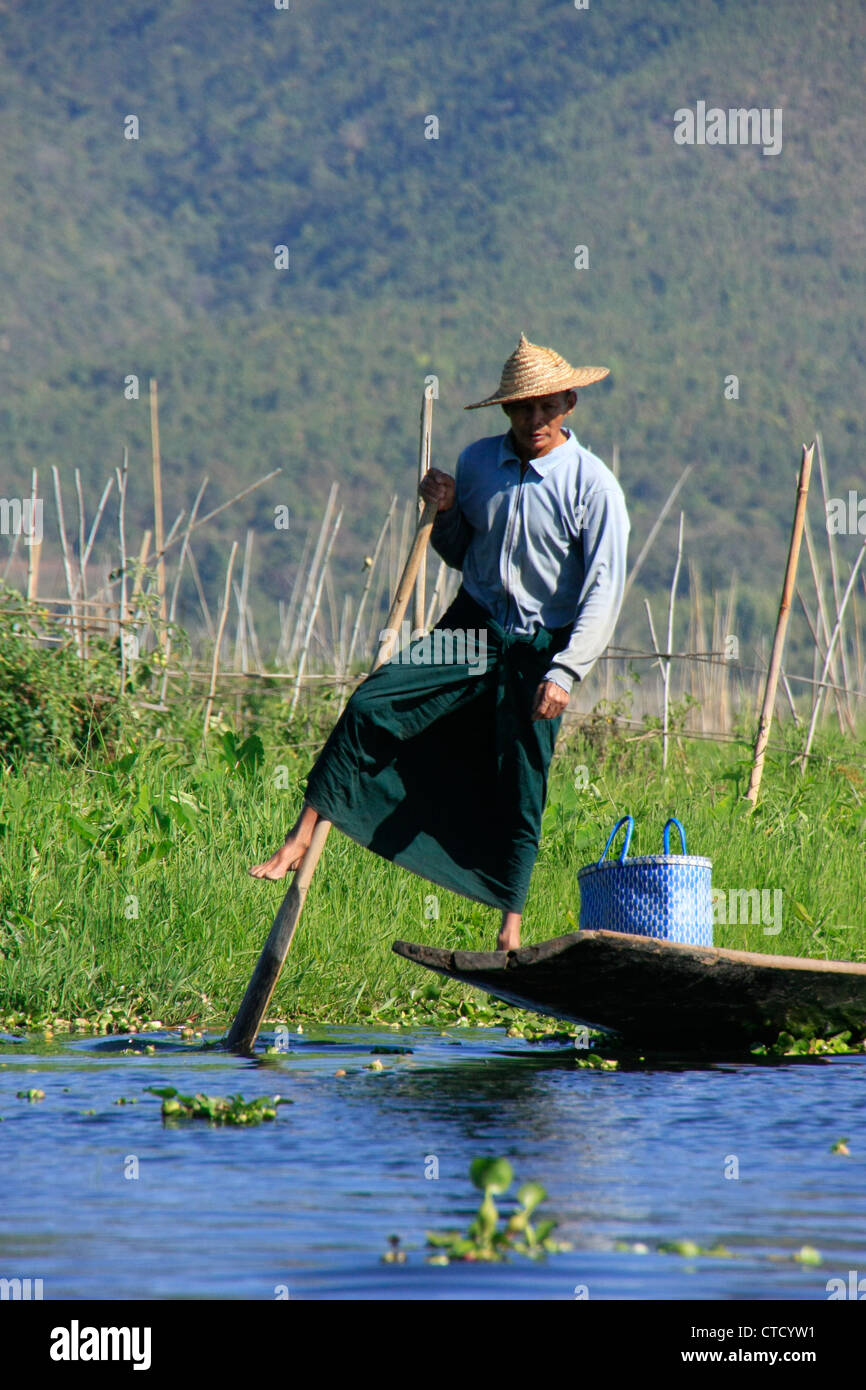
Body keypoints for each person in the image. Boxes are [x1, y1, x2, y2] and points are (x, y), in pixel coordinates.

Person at [250, 334, 630, 950]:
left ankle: (510, 926)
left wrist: (566, 672)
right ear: (506, 411)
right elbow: (459, 552)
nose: (534, 420)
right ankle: (299, 836)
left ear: (569, 404)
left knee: (521, 780)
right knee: (374, 703)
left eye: (546, 407)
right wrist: (445, 511)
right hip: (472, 630)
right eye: (522, 408)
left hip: (539, 650)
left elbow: (604, 590)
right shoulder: (479, 463)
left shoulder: (593, 487)